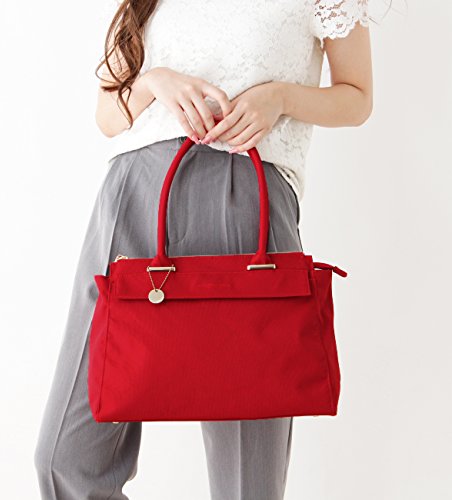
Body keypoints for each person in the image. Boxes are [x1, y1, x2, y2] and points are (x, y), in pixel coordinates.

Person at [33, 0, 373, 498]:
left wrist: (280, 98)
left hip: (249, 203)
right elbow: (108, 116)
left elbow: (357, 97)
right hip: (134, 200)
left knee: (248, 482)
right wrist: (153, 83)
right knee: (65, 460)